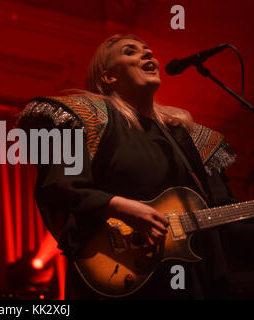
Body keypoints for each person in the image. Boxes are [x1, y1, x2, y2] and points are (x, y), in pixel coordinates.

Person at [17, 34, 254, 299]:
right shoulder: (86, 119)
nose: (148, 54)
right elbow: (60, 186)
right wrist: (118, 205)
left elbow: (223, 213)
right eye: (130, 52)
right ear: (108, 77)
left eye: (148, 50)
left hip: (192, 280)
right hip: (121, 277)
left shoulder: (188, 136)